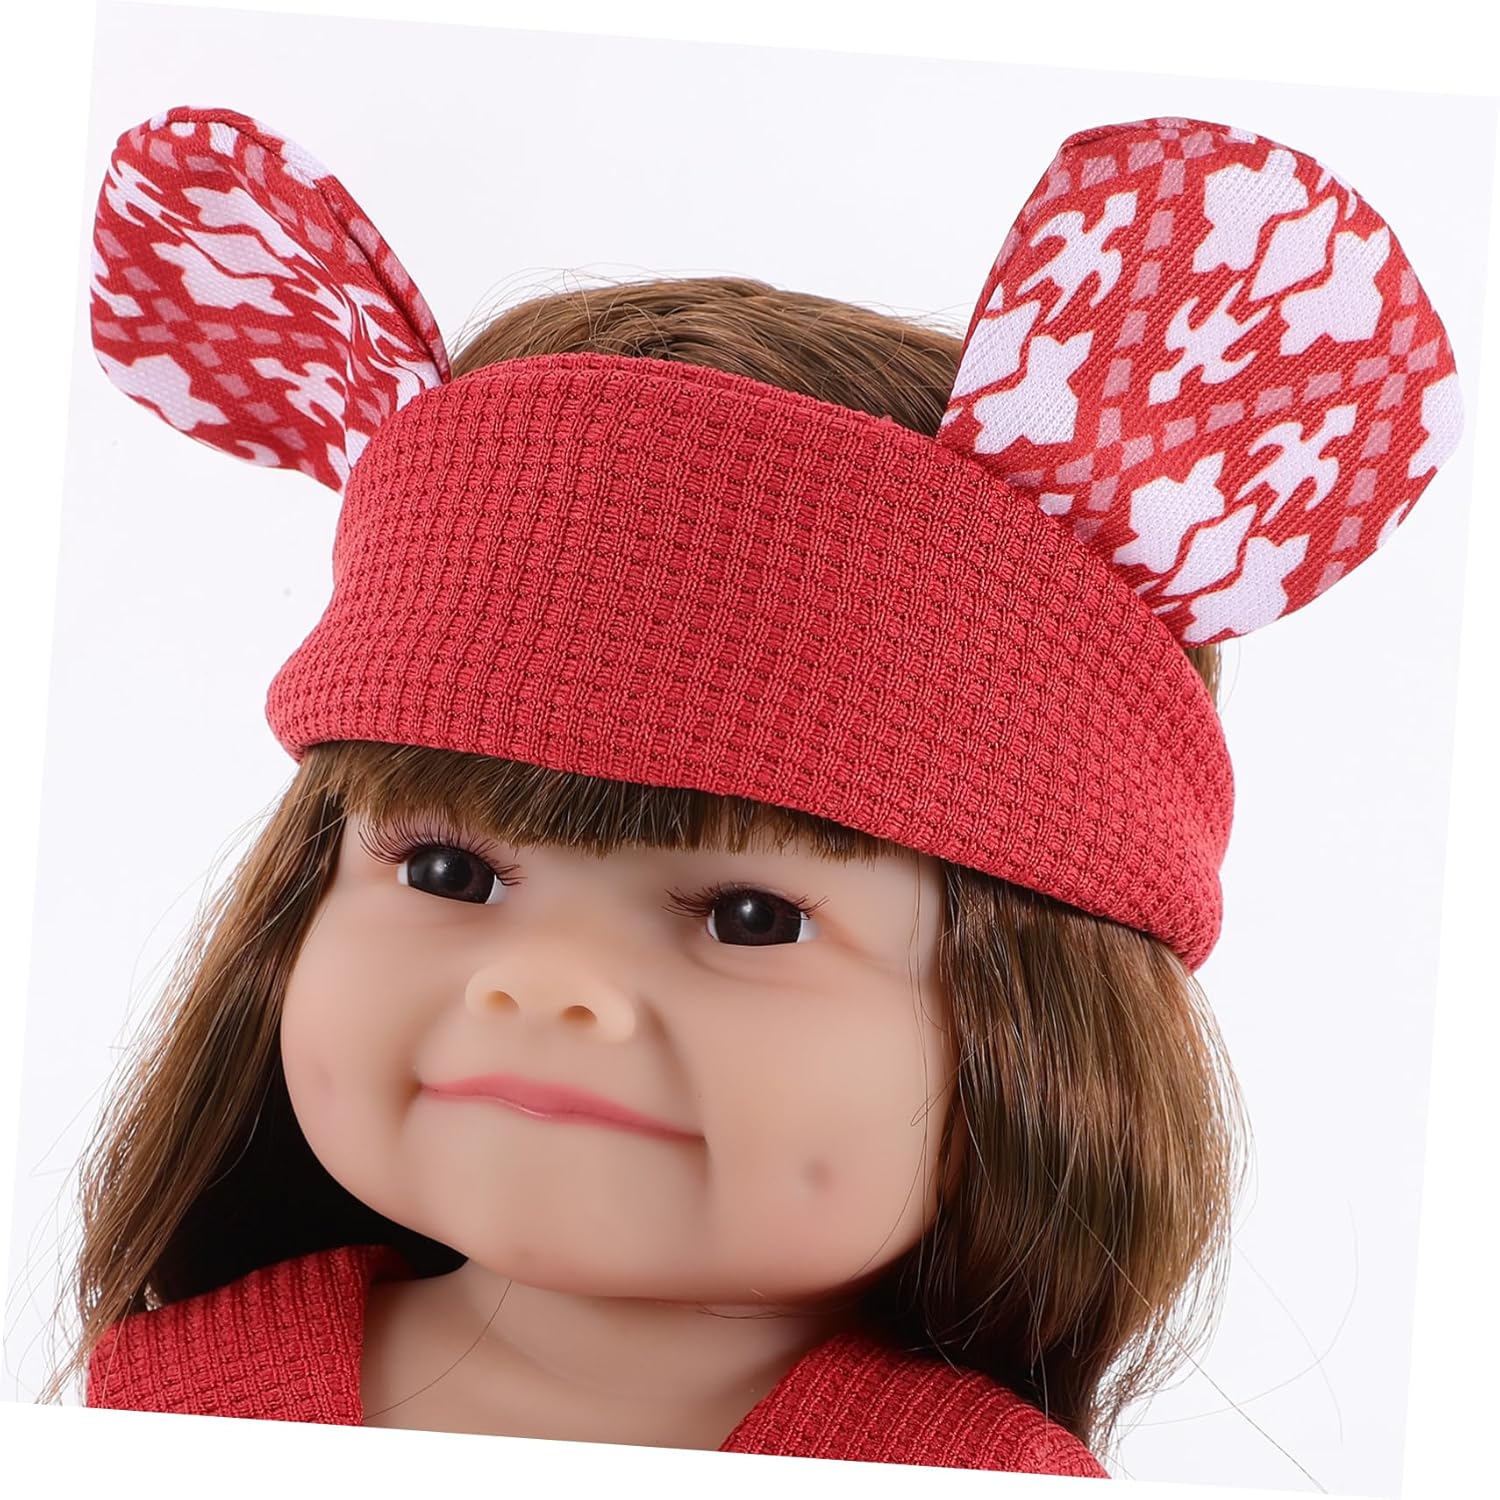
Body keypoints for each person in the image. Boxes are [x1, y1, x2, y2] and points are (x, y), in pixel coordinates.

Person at [48, 106, 1461, 1477]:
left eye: (749, 915)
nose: (545, 988)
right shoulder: (161, 1403)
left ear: (1033, 1022)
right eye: (446, 874)